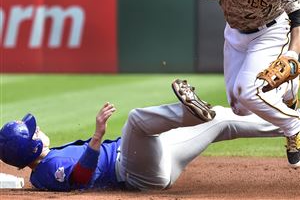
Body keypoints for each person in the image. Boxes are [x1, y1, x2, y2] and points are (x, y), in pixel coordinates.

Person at [0, 79, 284, 191]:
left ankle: (287, 125)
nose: (38, 128)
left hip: (156, 160)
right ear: (30, 146)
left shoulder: (44, 166)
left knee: (221, 119)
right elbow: (80, 179)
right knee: (135, 120)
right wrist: (97, 137)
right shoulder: (47, 171)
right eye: (32, 131)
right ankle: (189, 112)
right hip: (133, 170)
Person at [197, 0, 300, 168]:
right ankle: (289, 89)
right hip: (235, 33)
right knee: (240, 107)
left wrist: (293, 52)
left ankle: (294, 125)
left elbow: (299, 16)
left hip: (271, 30)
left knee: (248, 90)